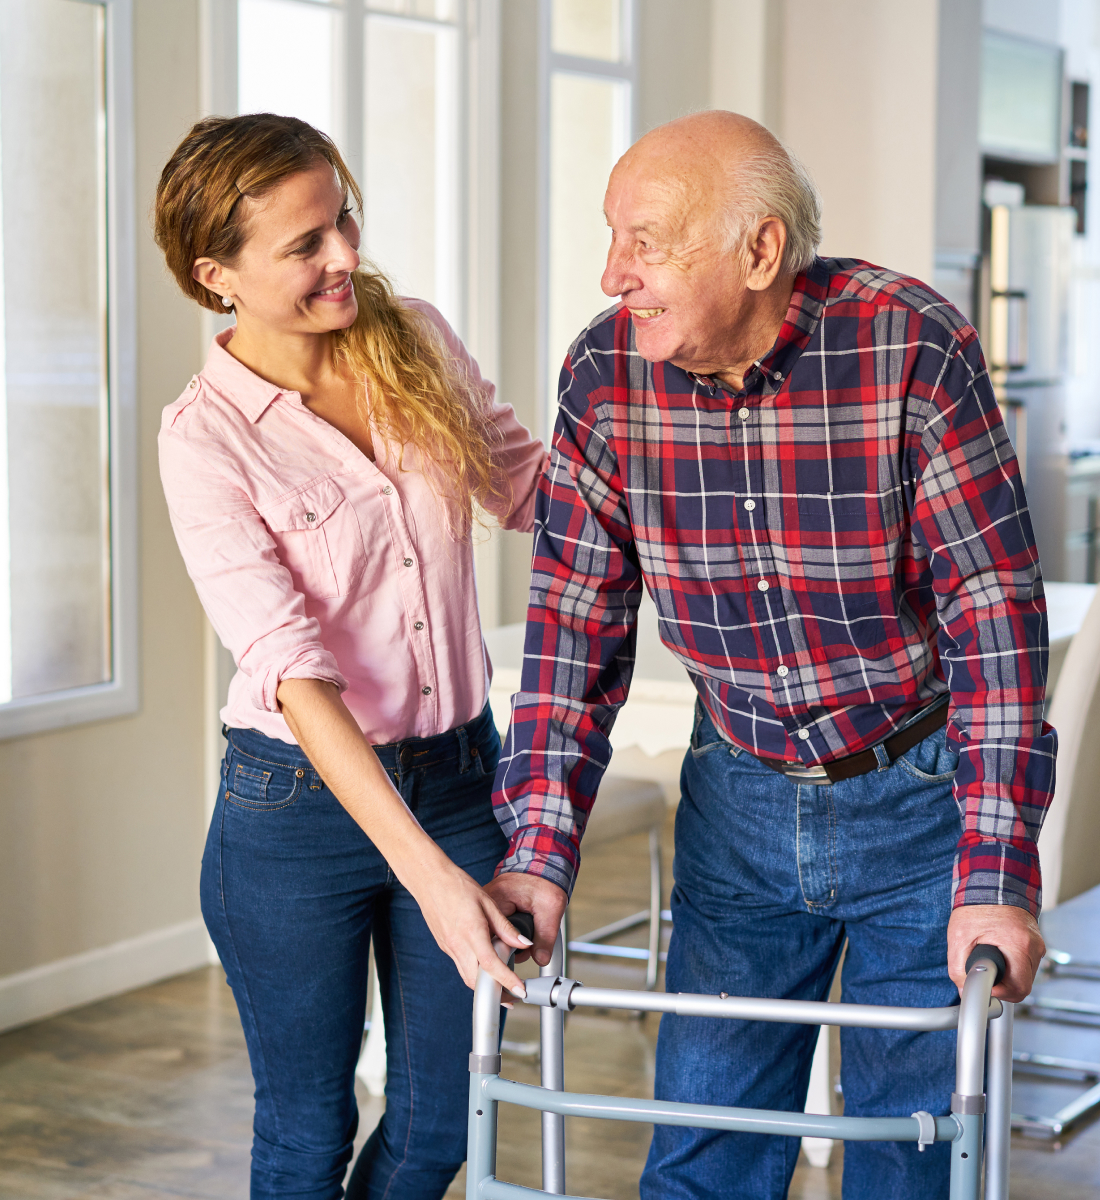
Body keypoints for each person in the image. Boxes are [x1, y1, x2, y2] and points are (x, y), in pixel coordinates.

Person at [486, 110, 1053, 1199]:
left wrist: (992, 878)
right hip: (737, 801)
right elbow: (572, 629)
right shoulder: (605, 377)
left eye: (644, 242)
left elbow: (990, 620)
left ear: (757, 251)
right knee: (700, 1154)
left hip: (915, 802)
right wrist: (537, 850)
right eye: (613, 239)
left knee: (904, 1155)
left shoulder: (909, 345)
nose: (612, 273)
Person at [155, 113, 546, 1200]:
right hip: (294, 813)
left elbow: (526, 487)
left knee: (440, 1125)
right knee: (305, 1131)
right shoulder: (204, 437)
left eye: (344, 221)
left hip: (461, 778)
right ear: (215, 276)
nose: (345, 259)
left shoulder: (408, 334)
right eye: (304, 245)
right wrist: (432, 879)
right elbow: (293, 670)